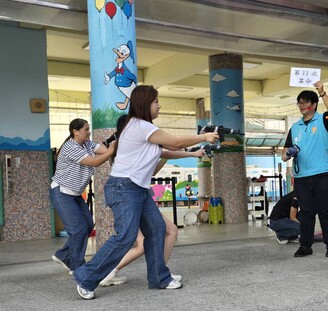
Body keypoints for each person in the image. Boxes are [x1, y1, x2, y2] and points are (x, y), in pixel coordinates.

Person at [72, 85, 219, 299]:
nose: (159, 105)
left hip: (137, 189)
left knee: (157, 229)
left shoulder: (142, 128)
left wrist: (194, 154)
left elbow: (166, 150)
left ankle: (159, 278)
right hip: (124, 187)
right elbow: (176, 141)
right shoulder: (140, 126)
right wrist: (203, 137)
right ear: (145, 103)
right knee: (125, 236)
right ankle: (85, 277)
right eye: (156, 102)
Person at [99, 147, 206, 287]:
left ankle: (160, 272)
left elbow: (152, 171)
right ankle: (109, 271)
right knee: (143, 243)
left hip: (139, 199)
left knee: (170, 231)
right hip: (132, 201)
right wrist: (188, 152)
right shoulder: (131, 151)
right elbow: (166, 152)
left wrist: (165, 155)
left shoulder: (132, 151)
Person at [282, 81, 328, 258]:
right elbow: (284, 154)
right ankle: (305, 246)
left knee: (326, 211)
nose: (302, 105)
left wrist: (322, 93)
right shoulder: (295, 127)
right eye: (299, 102)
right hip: (302, 177)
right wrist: (288, 154)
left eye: (306, 102)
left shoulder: (323, 120)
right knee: (306, 213)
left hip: (325, 174)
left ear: (314, 105)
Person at [50, 118, 115, 273]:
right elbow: (94, 162)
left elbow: (104, 151)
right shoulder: (70, 147)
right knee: (78, 229)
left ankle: (63, 255)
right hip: (62, 192)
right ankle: (77, 266)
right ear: (75, 131)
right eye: (86, 129)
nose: (89, 132)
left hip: (75, 194)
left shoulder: (86, 144)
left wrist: (113, 142)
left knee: (87, 225)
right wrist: (113, 148)